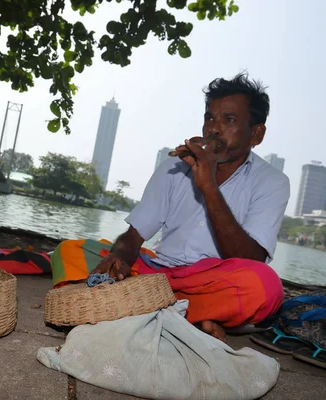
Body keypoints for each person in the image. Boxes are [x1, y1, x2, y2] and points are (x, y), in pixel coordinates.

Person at [50, 73, 290, 342]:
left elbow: (250, 261)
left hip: (210, 282)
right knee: (70, 251)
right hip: (156, 274)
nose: (214, 129)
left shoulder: (272, 182)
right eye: (209, 117)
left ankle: (140, 308)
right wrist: (117, 259)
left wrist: (208, 187)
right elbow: (133, 237)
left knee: (265, 288)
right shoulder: (174, 167)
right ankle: (186, 317)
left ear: (256, 134)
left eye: (230, 120)